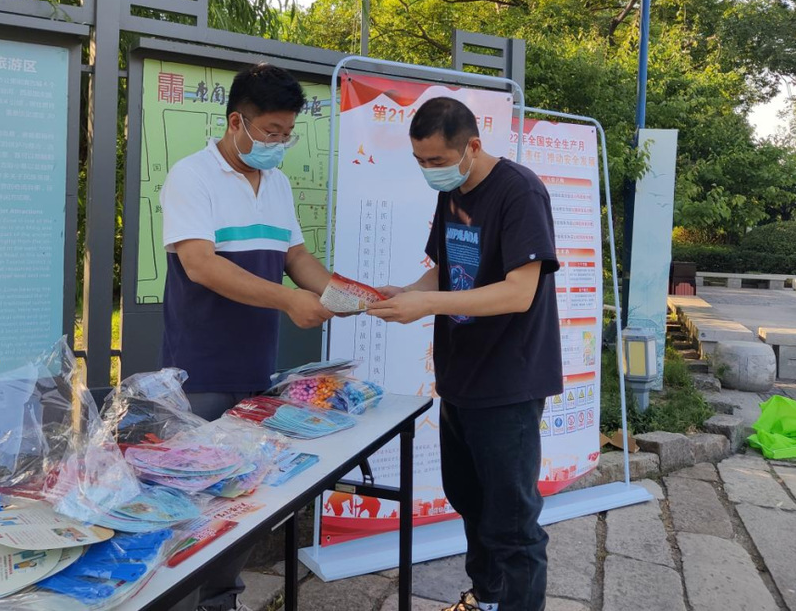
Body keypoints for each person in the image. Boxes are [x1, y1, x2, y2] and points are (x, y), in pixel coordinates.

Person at [369, 97, 563, 611]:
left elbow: (518, 292)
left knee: (512, 522)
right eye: (420, 161)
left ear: (472, 146)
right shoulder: (451, 192)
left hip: (508, 381)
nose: (429, 170)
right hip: (460, 376)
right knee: (471, 503)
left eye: (436, 160)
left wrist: (427, 304)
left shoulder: (519, 191)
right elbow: (445, 268)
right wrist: (405, 293)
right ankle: (485, 598)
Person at [159, 62, 333, 611]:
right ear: (237, 121)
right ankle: (186, 601)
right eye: (271, 132)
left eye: (288, 134)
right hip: (201, 370)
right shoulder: (192, 176)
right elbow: (202, 265)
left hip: (257, 370)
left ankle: (222, 600)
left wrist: (347, 296)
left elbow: (296, 257)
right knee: (196, 500)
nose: (279, 144)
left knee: (241, 498)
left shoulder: (277, 183)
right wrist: (289, 300)